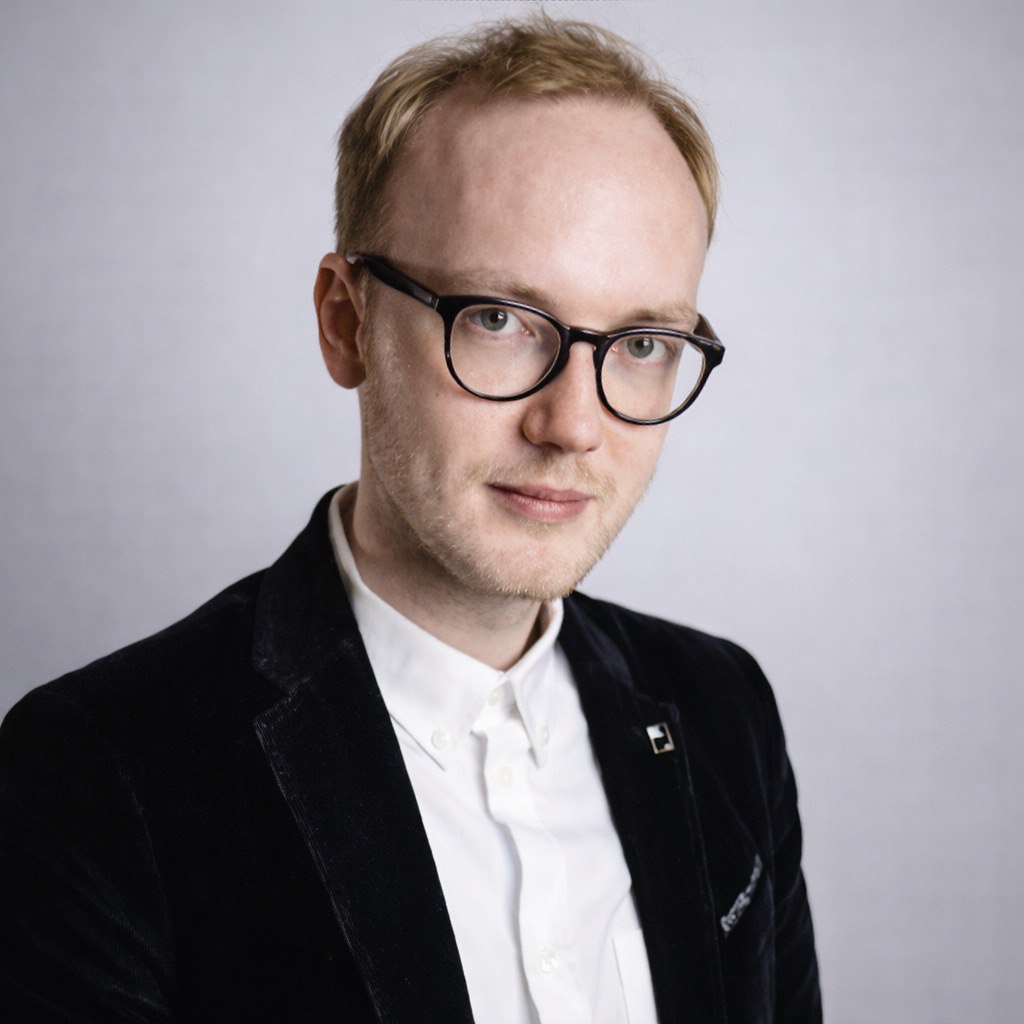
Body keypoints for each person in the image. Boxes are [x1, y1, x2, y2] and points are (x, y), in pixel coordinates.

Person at [0, 15, 821, 1024]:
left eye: (644, 341)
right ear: (346, 322)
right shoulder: (99, 770)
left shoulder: (723, 710)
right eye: (497, 319)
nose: (572, 425)